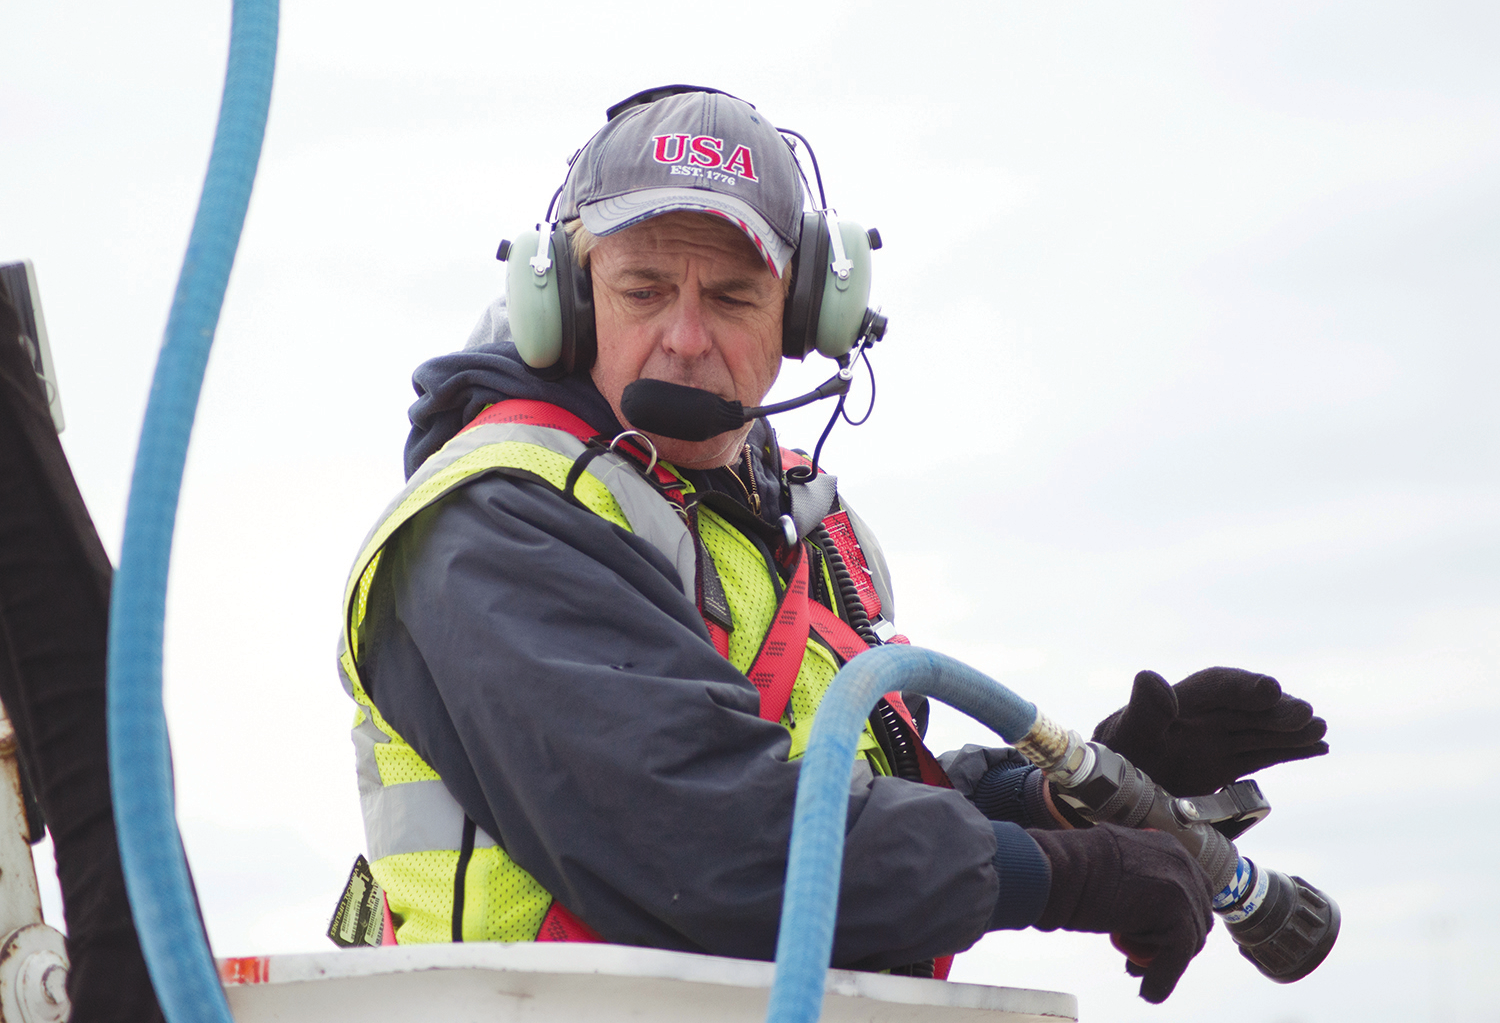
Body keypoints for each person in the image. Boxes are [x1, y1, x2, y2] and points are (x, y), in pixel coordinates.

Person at [336, 86, 1327, 1002]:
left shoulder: (802, 522)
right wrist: (1064, 874)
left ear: (806, 314)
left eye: (732, 297)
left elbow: (839, 794)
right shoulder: (499, 517)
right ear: (569, 301)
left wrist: (1064, 800)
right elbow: (703, 838)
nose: (685, 337)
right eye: (643, 290)